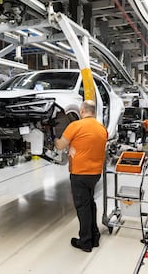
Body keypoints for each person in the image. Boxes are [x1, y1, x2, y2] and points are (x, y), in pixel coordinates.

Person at [54, 100, 108, 252]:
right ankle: (95, 237)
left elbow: (60, 146)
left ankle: (85, 241)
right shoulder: (102, 128)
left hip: (79, 173)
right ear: (94, 112)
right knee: (90, 203)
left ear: (82, 111)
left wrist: (53, 138)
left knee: (82, 207)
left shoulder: (75, 126)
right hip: (95, 173)